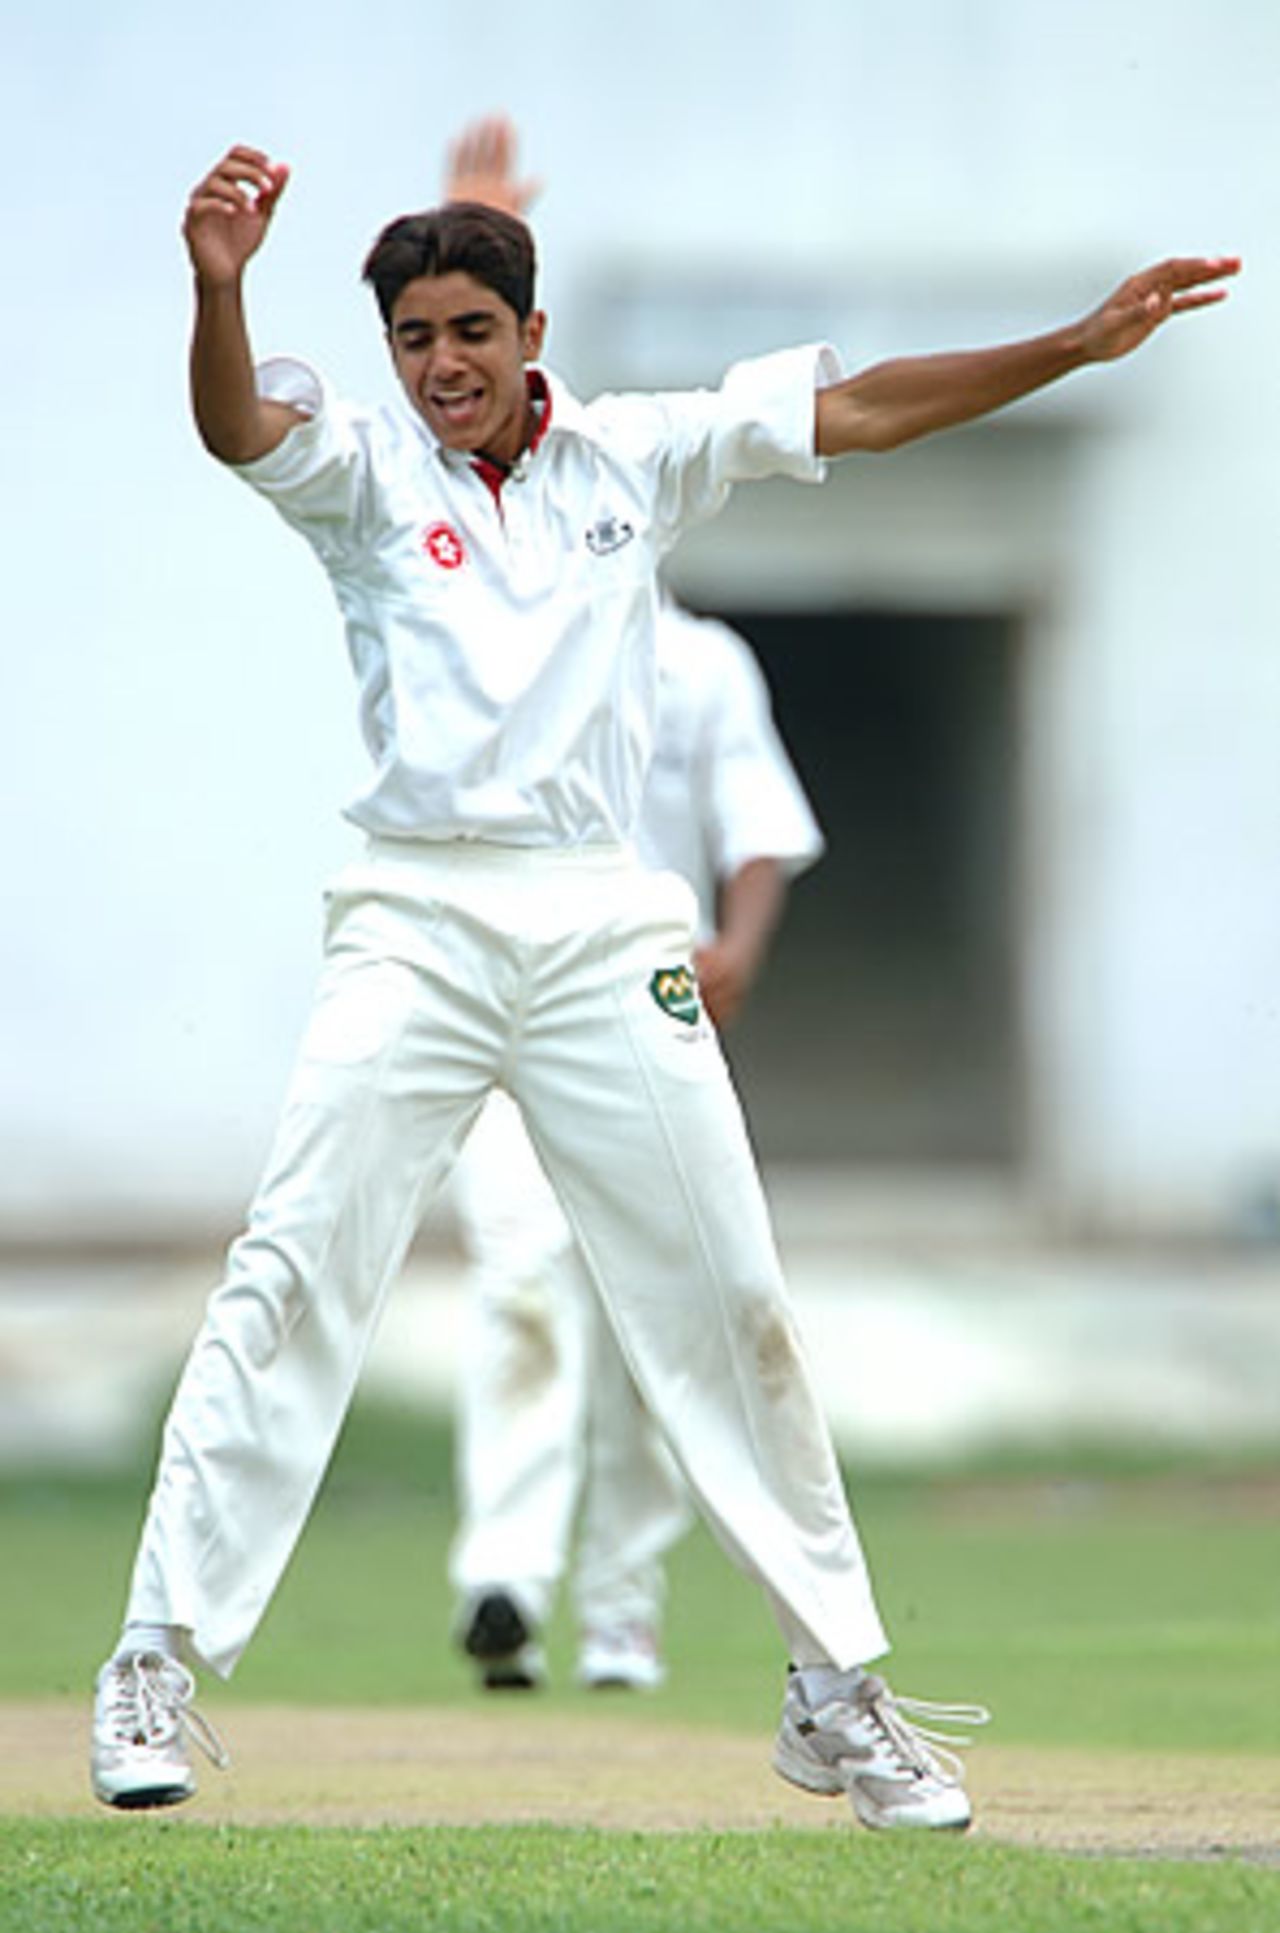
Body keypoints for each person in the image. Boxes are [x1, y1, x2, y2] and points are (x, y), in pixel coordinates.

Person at [88, 119, 1237, 1832]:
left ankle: (836, 1692)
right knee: (296, 1266)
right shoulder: (364, 471)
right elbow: (233, 422)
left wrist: (1072, 344)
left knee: (730, 1301)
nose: (441, 367)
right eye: (414, 340)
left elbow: (862, 406)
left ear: (531, 338)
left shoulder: (637, 457)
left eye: (471, 332)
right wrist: (219, 290)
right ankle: (153, 1659)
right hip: (412, 912)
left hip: (601, 923)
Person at [450, 595, 824, 1694]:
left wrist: (740, 949)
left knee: (651, 1312)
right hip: (510, 1016)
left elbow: (756, 823)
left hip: (642, 1021)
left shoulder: (701, 663)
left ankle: (620, 1611)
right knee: (520, 1284)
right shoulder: (490, 629)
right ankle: (504, 1584)